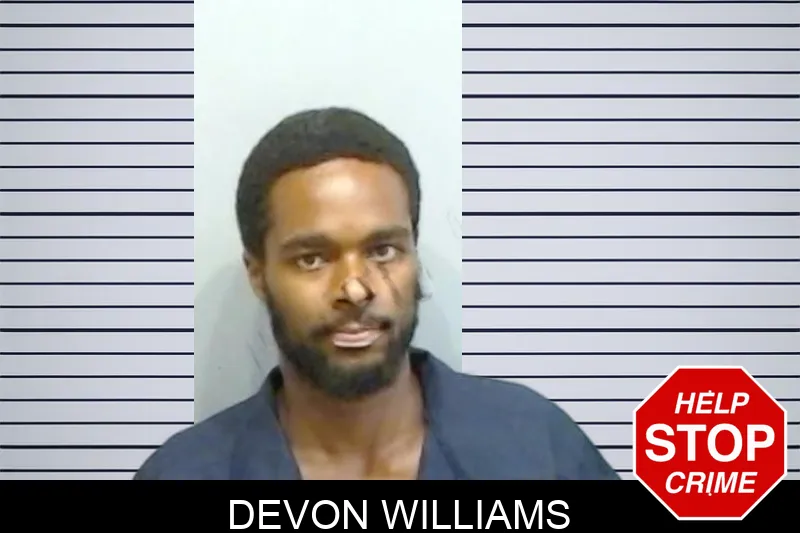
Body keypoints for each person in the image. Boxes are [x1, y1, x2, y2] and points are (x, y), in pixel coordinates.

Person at [134, 107, 619, 480]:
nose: (356, 288)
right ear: (258, 274)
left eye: (383, 250)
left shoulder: (537, 448)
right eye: (312, 258)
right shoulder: (183, 474)